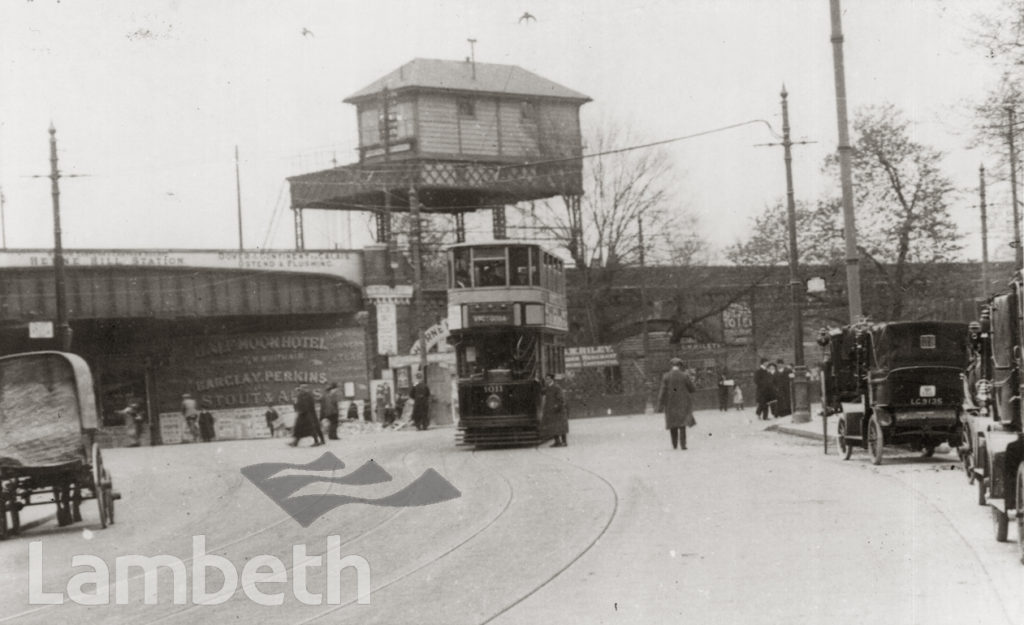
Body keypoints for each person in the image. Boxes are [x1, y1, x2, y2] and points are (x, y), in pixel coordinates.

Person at [657, 358, 697, 450]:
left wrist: (660, 405)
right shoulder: (684, 376)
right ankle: (683, 445)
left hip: (670, 404)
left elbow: (662, 392)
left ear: (671, 366)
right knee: (682, 424)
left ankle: (674, 445)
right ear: (680, 366)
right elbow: (692, 389)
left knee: (673, 424)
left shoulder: (666, 376)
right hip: (683, 403)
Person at [541, 373, 569, 447]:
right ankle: (557, 442)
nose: (546, 380)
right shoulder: (547, 388)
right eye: (546, 379)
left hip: (558, 410)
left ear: (552, 379)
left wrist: (557, 406)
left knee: (561, 426)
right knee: (553, 426)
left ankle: (564, 442)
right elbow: (542, 392)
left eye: (548, 379)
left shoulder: (557, 387)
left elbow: (561, 399)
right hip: (551, 410)